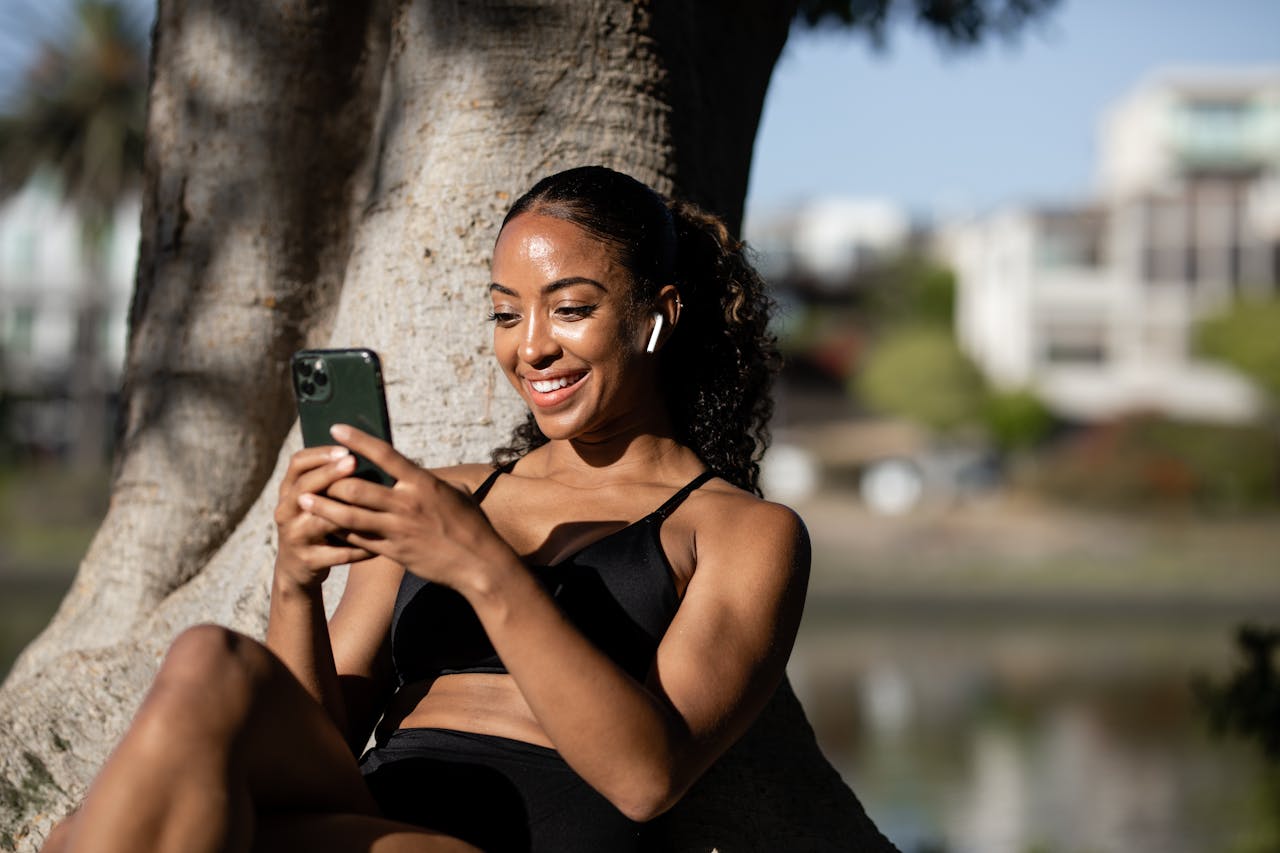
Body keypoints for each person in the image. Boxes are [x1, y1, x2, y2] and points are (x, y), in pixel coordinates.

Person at [42, 165, 810, 853]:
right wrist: (296, 580)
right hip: (368, 813)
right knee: (210, 658)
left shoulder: (740, 530)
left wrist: (479, 565)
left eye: (569, 308)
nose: (532, 347)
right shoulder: (444, 494)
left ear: (658, 315)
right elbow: (323, 742)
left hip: (520, 836)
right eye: (507, 315)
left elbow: (647, 777)